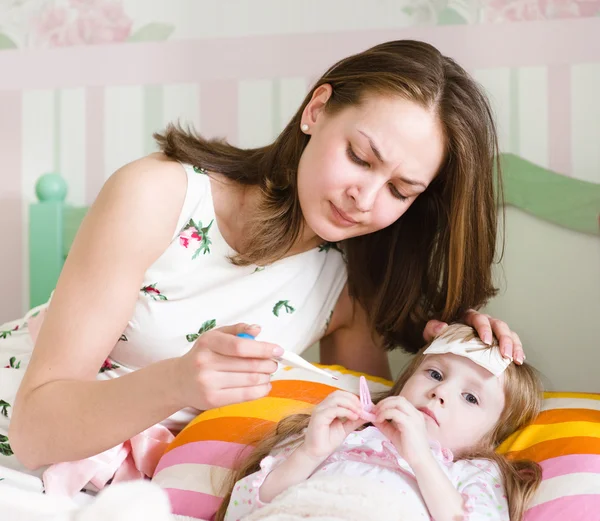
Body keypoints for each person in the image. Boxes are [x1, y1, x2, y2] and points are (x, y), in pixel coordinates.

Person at [1, 39, 523, 480]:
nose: (364, 198)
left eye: (400, 190)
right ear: (316, 110)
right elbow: (32, 428)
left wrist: (463, 358)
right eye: (360, 158)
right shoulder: (157, 197)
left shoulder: (350, 284)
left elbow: (376, 430)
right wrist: (177, 383)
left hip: (132, 483)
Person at [217, 324, 542, 521]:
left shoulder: (473, 471)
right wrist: (310, 452)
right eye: (435, 374)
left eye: (470, 398)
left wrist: (421, 458)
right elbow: (243, 509)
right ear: (403, 383)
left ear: (489, 440)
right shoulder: (343, 432)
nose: (440, 391)